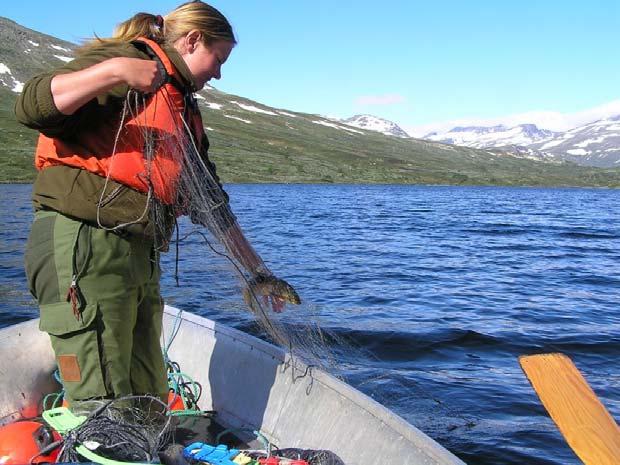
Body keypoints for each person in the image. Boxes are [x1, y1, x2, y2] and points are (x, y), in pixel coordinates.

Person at [15, 1, 294, 412]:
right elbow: (32, 105)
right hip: (84, 247)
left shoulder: (181, 105)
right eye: (217, 60)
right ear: (193, 39)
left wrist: (258, 273)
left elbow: (212, 203)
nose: (218, 74)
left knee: (148, 394)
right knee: (102, 407)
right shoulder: (129, 60)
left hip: (139, 255)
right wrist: (114, 72)